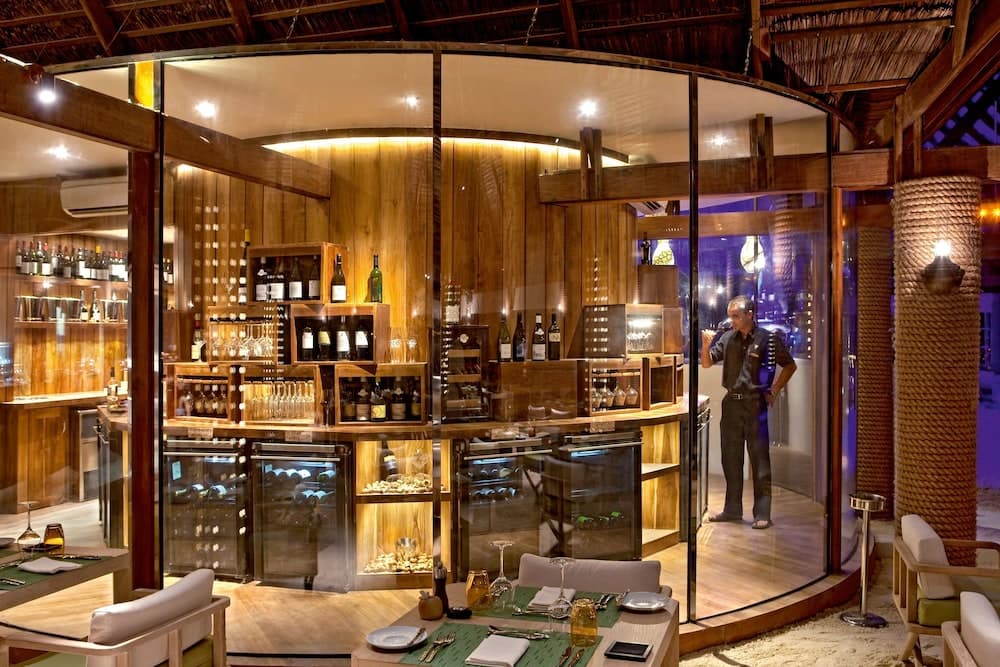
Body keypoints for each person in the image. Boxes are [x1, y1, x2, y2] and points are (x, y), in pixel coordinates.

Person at [701, 296, 797, 530]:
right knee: (730, 459)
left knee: (759, 459)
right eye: (730, 316)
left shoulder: (767, 339)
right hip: (731, 406)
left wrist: (775, 389)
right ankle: (732, 509)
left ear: (749, 315)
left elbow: (790, 365)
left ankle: (762, 513)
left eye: (736, 316)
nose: (732, 320)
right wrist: (706, 345)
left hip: (755, 405)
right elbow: (706, 363)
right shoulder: (727, 338)